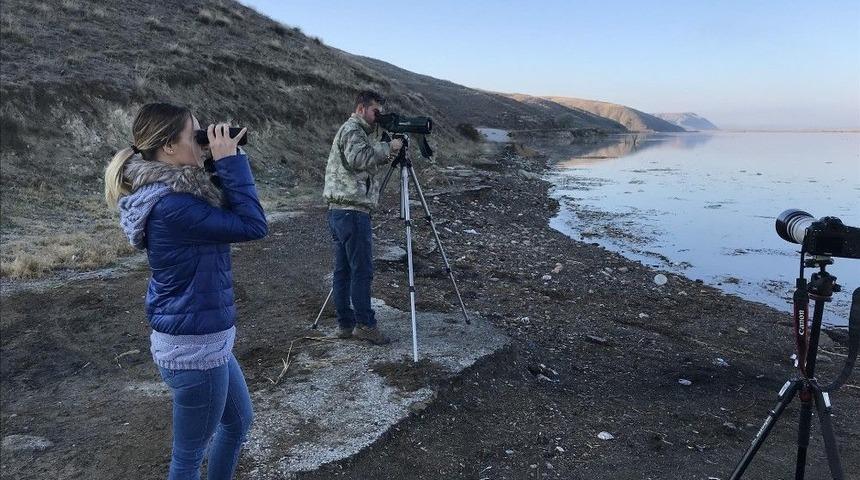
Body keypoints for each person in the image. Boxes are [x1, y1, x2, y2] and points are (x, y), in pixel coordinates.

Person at [104, 102, 268, 479]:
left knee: (238, 422)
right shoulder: (173, 206)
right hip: (195, 350)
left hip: (206, 340)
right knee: (188, 459)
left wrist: (217, 160)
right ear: (169, 148)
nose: (204, 139)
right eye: (195, 134)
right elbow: (252, 224)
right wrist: (230, 163)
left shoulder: (181, 194)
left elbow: (225, 210)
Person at [323, 90, 403, 344]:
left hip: (341, 210)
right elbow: (359, 158)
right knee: (361, 271)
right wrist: (389, 147)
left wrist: (387, 150)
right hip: (352, 211)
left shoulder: (355, 132)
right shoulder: (353, 131)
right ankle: (365, 325)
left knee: (344, 270)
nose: (377, 117)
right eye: (374, 111)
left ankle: (345, 324)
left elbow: (363, 160)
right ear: (361, 109)